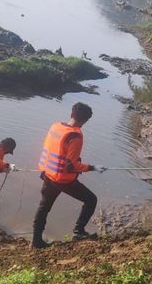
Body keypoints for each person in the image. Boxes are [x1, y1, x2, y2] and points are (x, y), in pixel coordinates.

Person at [31, 102, 105, 249]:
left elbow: (50, 149)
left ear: (71, 114)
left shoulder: (55, 126)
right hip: (63, 180)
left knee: (44, 207)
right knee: (91, 200)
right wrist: (93, 168)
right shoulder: (75, 135)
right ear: (86, 120)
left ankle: (36, 241)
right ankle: (79, 231)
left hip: (48, 174)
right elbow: (71, 166)